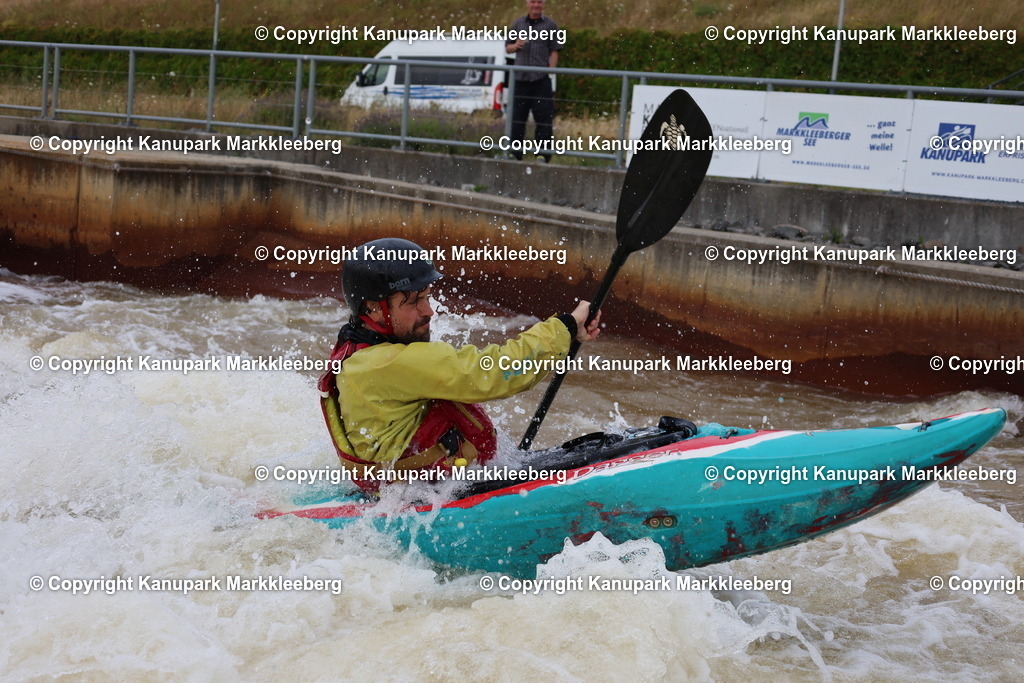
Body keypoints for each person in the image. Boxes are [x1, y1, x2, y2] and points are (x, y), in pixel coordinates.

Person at [318, 237, 600, 490]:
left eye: (427, 297)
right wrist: (565, 326)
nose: (428, 311)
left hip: (406, 491)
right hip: (422, 500)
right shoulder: (388, 364)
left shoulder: (356, 350)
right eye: (414, 301)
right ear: (374, 308)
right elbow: (497, 372)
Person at [505, 0, 564, 161]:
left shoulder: (551, 25)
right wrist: (516, 45)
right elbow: (507, 48)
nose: (536, 5)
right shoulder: (518, 23)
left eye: (539, 2)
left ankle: (542, 155)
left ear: (543, 4)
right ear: (527, 3)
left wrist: (550, 72)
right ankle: (514, 153)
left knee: (544, 119)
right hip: (521, 79)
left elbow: (555, 50)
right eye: (533, 2)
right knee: (517, 118)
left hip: (540, 80)